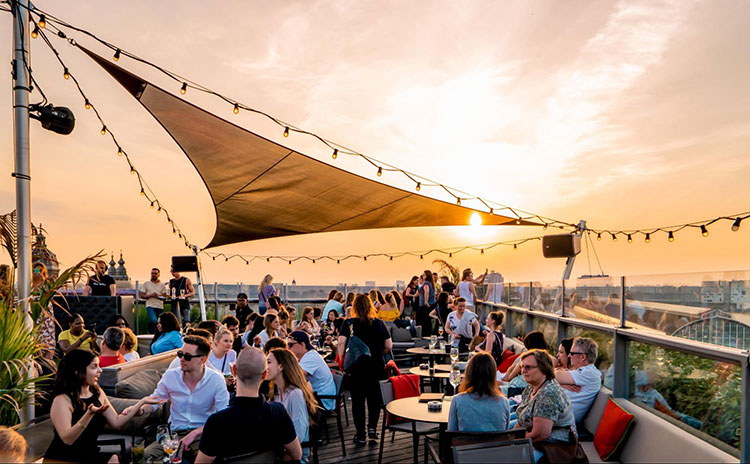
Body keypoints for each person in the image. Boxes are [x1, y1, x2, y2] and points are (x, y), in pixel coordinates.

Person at [45, 349, 162, 463]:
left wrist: (141, 403)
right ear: (77, 371)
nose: (100, 370)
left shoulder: (97, 393)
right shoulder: (62, 400)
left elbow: (117, 422)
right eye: (94, 367)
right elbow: (67, 439)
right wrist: (89, 414)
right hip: (63, 458)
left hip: (90, 454)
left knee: (114, 458)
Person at [127, 336, 229, 463]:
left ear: (202, 359)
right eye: (180, 354)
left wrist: (194, 434)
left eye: (187, 356)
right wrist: (139, 410)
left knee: (214, 459)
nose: (181, 359)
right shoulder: (171, 376)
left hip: (203, 435)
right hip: (173, 435)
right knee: (145, 457)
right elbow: (155, 401)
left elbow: (222, 418)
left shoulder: (216, 380)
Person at [195, 348, 302, 464]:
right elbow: (296, 455)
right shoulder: (278, 412)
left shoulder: (217, 422)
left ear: (234, 370)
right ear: (264, 374)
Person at [337, 294, 392, 445]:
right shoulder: (379, 323)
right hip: (375, 365)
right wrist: (379, 352)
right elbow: (389, 346)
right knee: (374, 399)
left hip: (356, 368)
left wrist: (342, 360)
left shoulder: (348, 323)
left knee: (358, 401)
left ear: (354, 307)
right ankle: (372, 429)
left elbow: (341, 342)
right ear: (370, 307)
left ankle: (360, 434)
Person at [514, 349, 576, 462]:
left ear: (543, 368)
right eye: (522, 366)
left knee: (512, 456)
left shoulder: (548, 394)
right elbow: (521, 419)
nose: (523, 370)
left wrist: (513, 441)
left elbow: (540, 434)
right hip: (534, 435)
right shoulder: (532, 386)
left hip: (554, 445)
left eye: (528, 367)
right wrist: (511, 435)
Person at [267, 348, 319, 463]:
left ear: (281, 366)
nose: (265, 366)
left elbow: (298, 436)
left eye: (269, 362)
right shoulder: (276, 394)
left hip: (294, 459)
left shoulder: (295, 394)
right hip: (279, 452)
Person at [448, 352, 510, 432]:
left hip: (466, 444)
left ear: (469, 373)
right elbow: (505, 433)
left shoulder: (457, 401)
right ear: (493, 374)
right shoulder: (504, 402)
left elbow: (451, 433)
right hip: (495, 444)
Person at [555, 337, 602, 423]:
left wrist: (558, 381)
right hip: (556, 414)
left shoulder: (589, 373)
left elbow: (551, 375)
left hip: (561, 421)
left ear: (583, 357)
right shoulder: (581, 372)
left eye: (572, 353)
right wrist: (560, 384)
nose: (569, 356)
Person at [288, 331, 336, 410]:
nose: (288, 347)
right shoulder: (307, 355)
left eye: (290, 345)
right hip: (319, 396)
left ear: (302, 345)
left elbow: (296, 377)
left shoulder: (310, 358)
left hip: (322, 401)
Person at [139, 268, 167, 333]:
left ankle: (155, 333)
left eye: (155, 273)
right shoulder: (146, 284)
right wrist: (151, 295)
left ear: (159, 275)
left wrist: (157, 296)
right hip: (150, 305)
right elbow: (142, 295)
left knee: (160, 322)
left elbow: (164, 296)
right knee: (154, 320)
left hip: (159, 306)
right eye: (152, 273)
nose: (153, 275)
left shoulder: (162, 285)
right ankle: (153, 332)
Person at [417, 270, 436, 336]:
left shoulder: (426, 283)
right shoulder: (431, 283)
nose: (422, 276)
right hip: (432, 304)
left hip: (425, 305)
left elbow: (426, 291)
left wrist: (425, 301)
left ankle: (423, 335)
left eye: (424, 275)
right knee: (428, 321)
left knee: (423, 321)